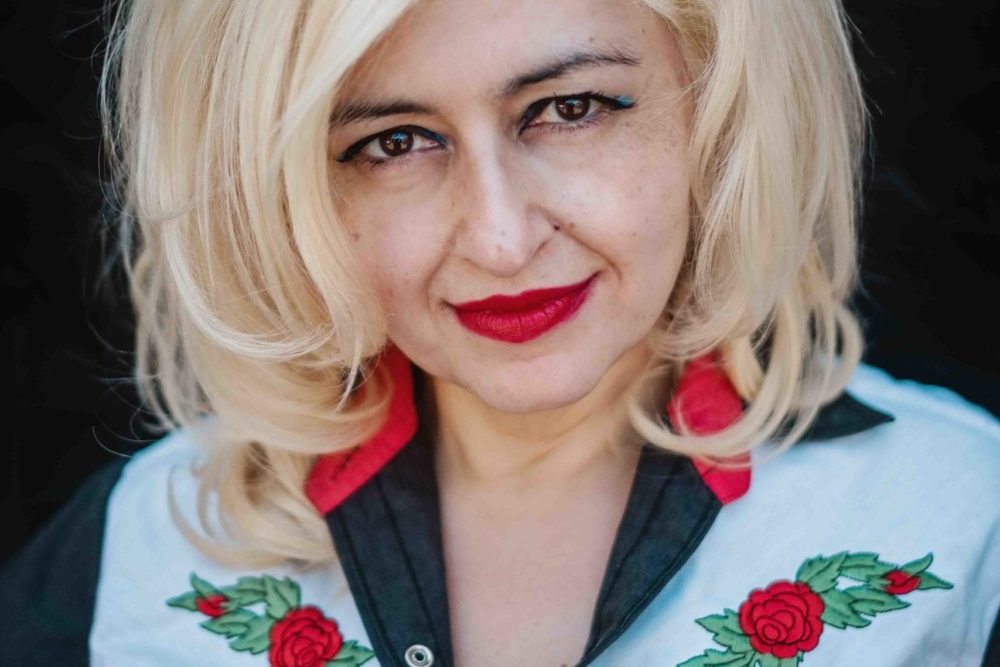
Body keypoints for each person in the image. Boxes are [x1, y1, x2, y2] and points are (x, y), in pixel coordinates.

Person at [1, 0, 998, 665]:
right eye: (393, 143)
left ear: (719, 108)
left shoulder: (960, 515)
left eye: (569, 108)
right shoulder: (153, 534)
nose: (500, 237)